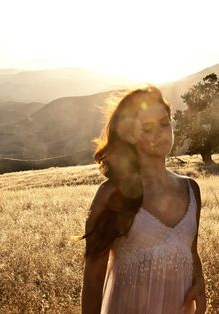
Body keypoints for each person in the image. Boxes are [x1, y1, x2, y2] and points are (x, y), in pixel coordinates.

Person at [81, 85, 206, 314]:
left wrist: (200, 281)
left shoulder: (191, 189)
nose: (160, 133)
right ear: (129, 134)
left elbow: (191, 251)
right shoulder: (111, 195)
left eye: (164, 123)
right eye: (147, 128)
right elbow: (93, 278)